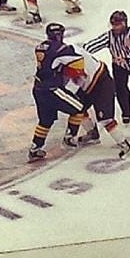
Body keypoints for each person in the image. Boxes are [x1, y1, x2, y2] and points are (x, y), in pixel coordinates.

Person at [51, 32, 130, 158]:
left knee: (105, 118)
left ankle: (123, 143)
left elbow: (75, 77)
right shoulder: (67, 50)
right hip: (90, 83)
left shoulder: (65, 56)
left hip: (101, 82)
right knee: (77, 107)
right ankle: (92, 133)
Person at [83, 10, 130, 125]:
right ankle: (126, 112)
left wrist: (127, 58)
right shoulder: (110, 35)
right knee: (120, 89)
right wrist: (82, 52)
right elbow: (94, 44)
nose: (115, 27)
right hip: (119, 67)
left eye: (118, 24)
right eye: (113, 25)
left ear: (125, 23)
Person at [28, 22, 86, 162]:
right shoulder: (61, 48)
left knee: (45, 120)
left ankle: (35, 148)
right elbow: (78, 62)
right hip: (52, 89)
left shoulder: (40, 47)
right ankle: (70, 137)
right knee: (79, 108)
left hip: (38, 88)